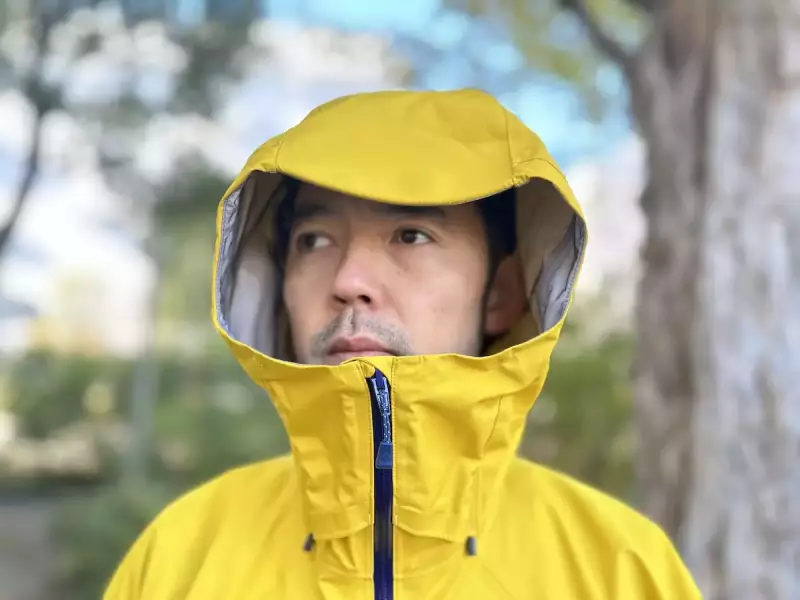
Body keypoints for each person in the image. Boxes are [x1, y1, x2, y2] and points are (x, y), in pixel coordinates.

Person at [104, 89, 701, 599]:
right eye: (314, 240)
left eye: (411, 234)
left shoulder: (620, 572)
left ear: (502, 293)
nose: (348, 280)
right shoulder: (180, 558)